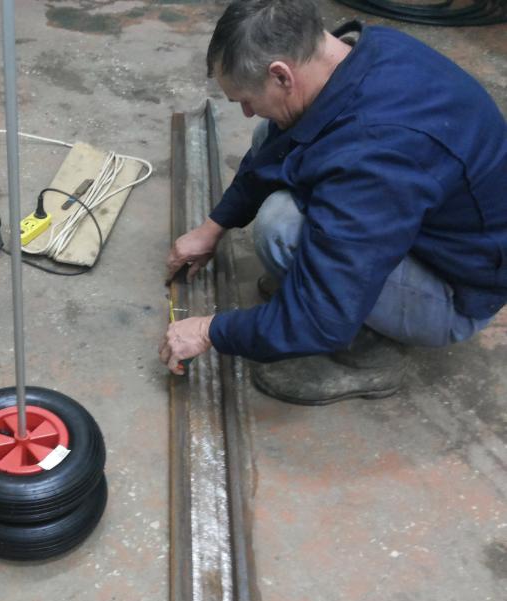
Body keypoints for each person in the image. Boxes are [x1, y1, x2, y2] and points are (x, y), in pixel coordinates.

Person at [160, 0, 507, 405]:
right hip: (432, 226)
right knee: (275, 133)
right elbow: (277, 147)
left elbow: (318, 319)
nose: (247, 111)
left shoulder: (375, 155)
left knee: (282, 227)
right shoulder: (363, 50)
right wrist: (214, 226)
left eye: (246, 99)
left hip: (456, 294)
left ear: (281, 74)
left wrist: (209, 331)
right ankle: (331, 282)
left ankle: (368, 356)